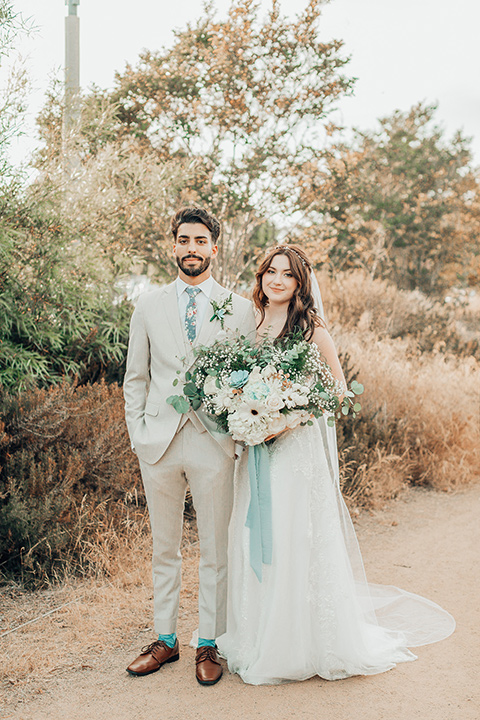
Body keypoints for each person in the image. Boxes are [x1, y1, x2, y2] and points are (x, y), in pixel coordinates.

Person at [217, 244, 455, 685]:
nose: (277, 280)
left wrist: (284, 419)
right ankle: (256, 634)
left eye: (288, 275)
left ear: (300, 284)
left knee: (291, 537)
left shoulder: (313, 331)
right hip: (256, 452)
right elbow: (236, 383)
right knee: (253, 534)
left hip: (292, 453)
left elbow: (338, 393)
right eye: (271, 271)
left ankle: (296, 643)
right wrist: (243, 412)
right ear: (261, 276)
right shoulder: (249, 324)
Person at [123, 206, 255, 686]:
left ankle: (209, 643)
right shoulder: (148, 305)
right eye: (184, 240)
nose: (192, 249)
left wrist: (235, 437)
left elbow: (246, 380)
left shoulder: (240, 309)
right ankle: (165, 639)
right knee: (165, 548)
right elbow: (135, 378)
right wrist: (139, 435)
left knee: (215, 549)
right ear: (173, 245)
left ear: (214, 248)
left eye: (201, 241)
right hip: (158, 444)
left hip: (212, 443)